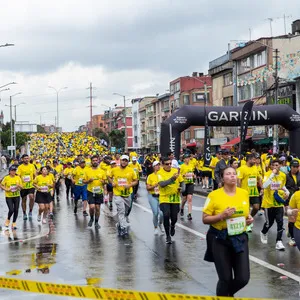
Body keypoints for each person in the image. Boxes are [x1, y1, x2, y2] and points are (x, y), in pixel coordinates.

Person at [202, 167, 252, 297]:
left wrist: (249, 219)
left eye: (234, 174)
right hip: (220, 238)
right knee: (225, 279)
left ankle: (226, 295)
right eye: (228, 174)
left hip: (240, 238)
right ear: (222, 178)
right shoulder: (214, 195)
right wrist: (221, 216)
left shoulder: (244, 193)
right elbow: (205, 219)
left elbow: (246, 213)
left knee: (243, 278)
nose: (232, 176)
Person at [260, 159, 289, 250]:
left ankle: (279, 241)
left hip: (278, 203)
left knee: (280, 222)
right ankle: (264, 232)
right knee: (269, 223)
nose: (275, 167)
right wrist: (272, 175)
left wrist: (286, 191)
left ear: (280, 166)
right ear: (271, 166)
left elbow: (282, 185)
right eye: (273, 165)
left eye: (277, 165)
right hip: (268, 203)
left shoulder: (283, 175)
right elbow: (264, 186)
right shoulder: (268, 174)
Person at [108, 155, 138, 236]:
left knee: (127, 211)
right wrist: (112, 182)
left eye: (126, 160)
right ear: (120, 160)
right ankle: (123, 228)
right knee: (121, 210)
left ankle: (120, 223)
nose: (124, 162)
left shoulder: (131, 171)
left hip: (127, 194)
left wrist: (130, 185)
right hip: (118, 193)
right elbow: (109, 177)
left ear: (128, 162)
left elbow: (136, 181)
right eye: (123, 160)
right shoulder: (114, 170)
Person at [157, 157, 184, 244]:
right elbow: (162, 184)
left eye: (170, 164)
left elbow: (182, 182)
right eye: (167, 164)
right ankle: (168, 235)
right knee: (166, 215)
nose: (169, 165)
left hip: (175, 198)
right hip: (164, 198)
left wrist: (182, 189)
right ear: (162, 165)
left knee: (174, 217)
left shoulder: (175, 171)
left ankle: (172, 225)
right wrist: (172, 179)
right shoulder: (159, 173)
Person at [237, 154, 262, 232]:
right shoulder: (241, 169)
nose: (256, 161)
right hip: (245, 192)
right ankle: (247, 225)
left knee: (256, 207)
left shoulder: (255, 168)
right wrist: (239, 191)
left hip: (254, 192)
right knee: (246, 210)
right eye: (254, 159)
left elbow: (259, 178)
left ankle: (250, 218)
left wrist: (262, 188)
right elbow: (239, 180)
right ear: (249, 159)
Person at [84, 155, 107, 229]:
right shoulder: (87, 171)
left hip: (99, 192)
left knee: (97, 208)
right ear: (91, 162)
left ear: (98, 161)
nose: (95, 162)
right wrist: (88, 181)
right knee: (92, 207)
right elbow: (83, 181)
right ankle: (91, 218)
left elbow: (105, 181)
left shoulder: (102, 171)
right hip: (90, 191)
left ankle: (96, 222)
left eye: (96, 160)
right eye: (93, 160)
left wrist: (103, 182)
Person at [0, 165, 23, 229]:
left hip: (17, 196)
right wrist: (6, 189)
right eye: (12, 171)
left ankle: (14, 223)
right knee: (11, 210)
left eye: (14, 171)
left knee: (16, 209)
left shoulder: (18, 178)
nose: (13, 172)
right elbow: (1, 185)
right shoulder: (6, 178)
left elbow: (22, 187)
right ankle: (8, 219)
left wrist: (19, 186)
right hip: (9, 196)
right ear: (9, 171)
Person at [146, 161, 164, 235]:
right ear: (153, 167)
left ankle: (160, 223)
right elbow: (148, 187)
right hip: (152, 196)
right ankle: (155, 227)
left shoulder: (163, 175)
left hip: (161, 196)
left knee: (162, 213)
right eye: (156, 165)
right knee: (156, 213)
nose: (158, 166)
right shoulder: (150, 176)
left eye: (159, 165)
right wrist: (154, 185)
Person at [17, 154, 37, 220]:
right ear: (22, 159)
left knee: (31, 197)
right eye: (25, 158)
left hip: (31, 185)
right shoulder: (20, 167)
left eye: (27, 158)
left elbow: (35, 175)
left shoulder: (32, 166)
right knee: (24, 199)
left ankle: (30, 211)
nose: (26, 159)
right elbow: (18, 176)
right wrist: (19, 184)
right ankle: (24, 213)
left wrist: (35, 181)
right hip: (23, 186)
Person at [285, 160, 300, 246]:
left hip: (298, 200)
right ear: (290, 167)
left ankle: (292, 232)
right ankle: (292, 237)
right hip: (289, 200)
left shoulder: (299, 176)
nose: (295, 168)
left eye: (296, 167)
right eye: (293, 167)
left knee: (296, 219)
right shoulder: (286, 176)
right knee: (292, 219)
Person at [179, 153, 195, 220]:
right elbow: (179, 175)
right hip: (184, 183)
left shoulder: (191, 165)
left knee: (190, 198)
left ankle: (189, 214)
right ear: (184, 159)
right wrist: (184, 175)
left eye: (189, 158)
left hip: (190, 183)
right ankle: (182, 208)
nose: (188, 159)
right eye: (186, 158)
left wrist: (193, 175)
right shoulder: (181, 166)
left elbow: (193, 172)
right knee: (184, 199)